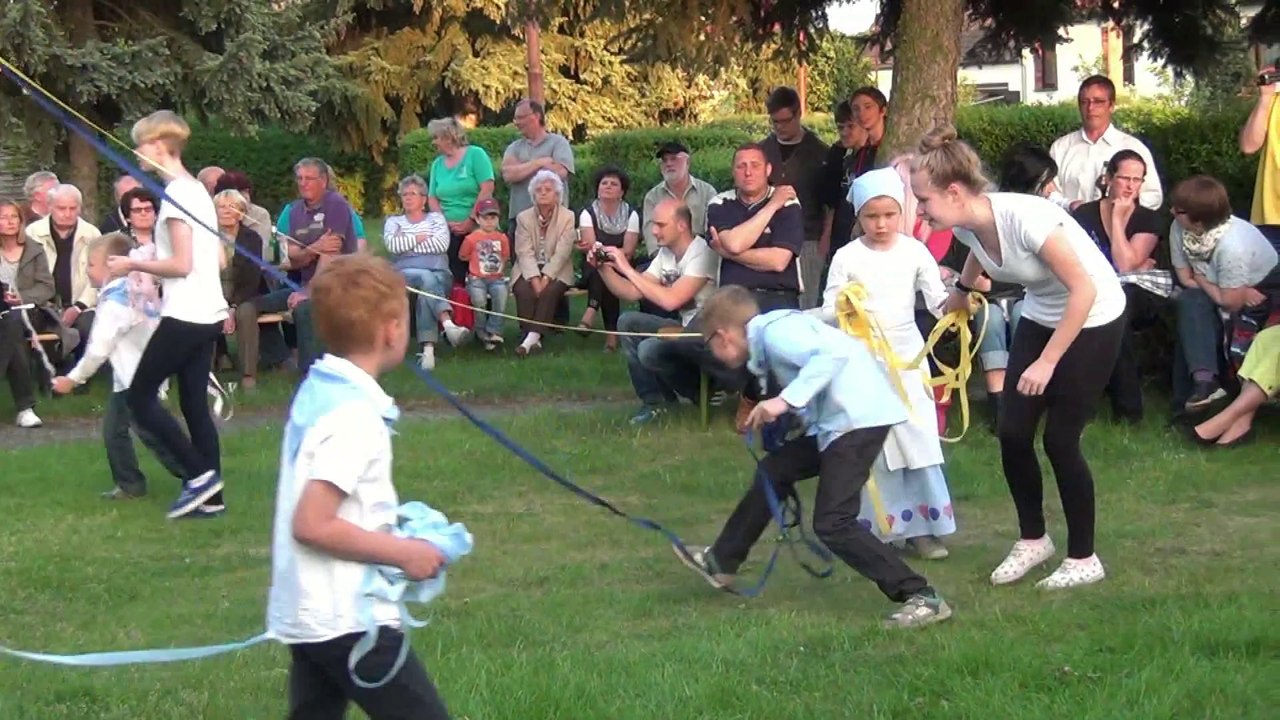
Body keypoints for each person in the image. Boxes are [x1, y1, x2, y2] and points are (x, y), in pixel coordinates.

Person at [911, 126, 1127, 590]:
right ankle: (1034, 540)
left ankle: (1084, 557)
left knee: (1061, 440)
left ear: (953, 191)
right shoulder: (965, 223)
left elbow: (1084, 289)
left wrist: (1047, 362)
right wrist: (961, 295)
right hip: (1043, 312)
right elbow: (978, 256)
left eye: (924, 202)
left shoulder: (1026, 218)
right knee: (1012, 432)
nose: (921, 212)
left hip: (1094, 314)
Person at [678, 285, 953, 628]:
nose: (714, 353)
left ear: (722, 336)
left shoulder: (776, 333)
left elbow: (830, 357)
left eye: (709, 344)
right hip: (840, 422)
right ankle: (722, 561)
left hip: (858, 421)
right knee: (774, 470)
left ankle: (922, 596)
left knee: (833, 521)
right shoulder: (772, 335)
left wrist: (784, 401)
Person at [266, 254, 452, 719]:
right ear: (392, 328)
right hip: (349, 617)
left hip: (313, 611)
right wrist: (404, 552)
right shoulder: (352, 416)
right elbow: (311, 523)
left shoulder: (322, 389)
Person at [821, 167, 955, 560]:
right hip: (863, 358)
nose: (881, 224)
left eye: (889, 215)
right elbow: (830, 307)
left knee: (916, 435)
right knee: (875, 441)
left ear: (902, 213)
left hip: (908, 358)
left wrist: (961, 301)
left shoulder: (915, 250)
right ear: (859, 217)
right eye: (871, 216)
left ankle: (925, 529)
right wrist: (847, 307)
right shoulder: (847, 256)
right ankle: (883, 528)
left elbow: (937, 300)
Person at [107, 110, 229, 520]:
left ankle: (199, 477)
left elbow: (181, 264)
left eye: (140, 144)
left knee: (140, 397)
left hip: (187, 314)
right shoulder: (196, 191)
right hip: (208, 310)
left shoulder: (178, 195)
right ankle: (211, 499)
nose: (136, 152)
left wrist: (132, 266)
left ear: (160, 146)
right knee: (193, 403)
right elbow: (219, 259)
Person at [52, 233, 186, 499]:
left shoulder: (115, 302)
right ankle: (132, 483)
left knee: (149, 434)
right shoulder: (134, 290)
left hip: (135, 379)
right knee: (120, 430)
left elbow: (98, 350)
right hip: (137, 376)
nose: (87, 270)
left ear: (112, 264)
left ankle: (195, 474)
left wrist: (72, 379)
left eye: (91, 264)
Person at [601, 198, 723, 424]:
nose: (654, 231)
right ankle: (655, 402)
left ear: (682, 225)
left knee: (648, 349)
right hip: (686, 329)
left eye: (660, 225)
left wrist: (626, 268)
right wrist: (603, 269)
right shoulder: (666, 253)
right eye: (653, 225)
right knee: (627, 321)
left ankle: (703, 392)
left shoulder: (703, 253)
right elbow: (631, 292)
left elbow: (671, 301)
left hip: (708, 336)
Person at [1070, 149, 1170, 423]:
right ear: (1109, 178)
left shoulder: (1147, 219)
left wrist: (1116, 220)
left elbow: (1125, 265)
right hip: (1091, 289)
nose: (1130, 186)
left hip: (1138, 295)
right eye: (1124, 178)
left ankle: (1127, 407)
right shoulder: (1085, 216)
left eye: (1137, 180)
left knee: (1117, 311)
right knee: (1106, 306)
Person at [1168, 175, 1278, 411]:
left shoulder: (1232, 246)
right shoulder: (1179, 228)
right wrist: (1213, 283)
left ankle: (1196, 396)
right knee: (1191, 303)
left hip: (1264, 288)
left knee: (1192, 311)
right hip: (1227, 288)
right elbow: (1186, 278)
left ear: (1198, 222)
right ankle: (1204, 384)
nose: (1171, 212)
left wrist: (1204, 278)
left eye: (1179, 210)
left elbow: (1231, 303)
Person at [384, 175, 471, 370]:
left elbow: (441, 244)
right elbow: (393, 245)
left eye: (412, 194)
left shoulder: (436, 219)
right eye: (404, 194)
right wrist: (422, 237)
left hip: (439, 273)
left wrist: (407, 240)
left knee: (427, 285)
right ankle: (447, 328)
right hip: (404, 275)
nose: (407, 198)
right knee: (426, 277)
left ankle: (428, 354)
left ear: (424, 199)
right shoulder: (393, 222)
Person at [511, 169, 577, 357]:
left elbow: (563, 252)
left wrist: (546, 277)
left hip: (558, 268)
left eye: (548, 189)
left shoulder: (568, 217)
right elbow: (523, 251)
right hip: (529, 265)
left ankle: (530, 338)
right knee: (522, 289)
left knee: (549, 291)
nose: (542, 192)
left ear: (557, 195)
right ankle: (532, 336)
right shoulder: (523, 217)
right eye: (538, 189)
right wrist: (533, 278)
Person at [575, 165, 640, 351]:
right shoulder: (588, 213)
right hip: (592, 263)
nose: (608, 186)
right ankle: (611, 337)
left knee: (605, 269)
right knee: (600, 268)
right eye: (604, 183)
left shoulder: (631, 214)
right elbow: (591, 246)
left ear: (622, 191)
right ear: (598, 189)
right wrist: (605, 257)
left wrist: (610, 257)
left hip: (622, 264)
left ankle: (591, 311)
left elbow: (627, 251)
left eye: (614, 184)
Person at [425, 116, 496, 282]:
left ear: (449, 137)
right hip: (447, 230)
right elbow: (432, 198)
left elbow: (487, 188)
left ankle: (482, 306)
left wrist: (471, 219)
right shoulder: (437, 164)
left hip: (478, 226)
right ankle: (457, 305)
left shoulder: (476, 155)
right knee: (452, 278)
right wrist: (443, 223)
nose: (434, 142)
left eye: (436, 138)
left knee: (483, 279)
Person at [0, 198, 48, 428]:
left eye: (14, 217)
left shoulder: (34, 250)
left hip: (31, 311)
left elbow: (47, 287)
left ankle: (26, 407)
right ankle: (25, 408)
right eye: (3, 217)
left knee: (14, 322)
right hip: (3, 315)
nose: (9, 222)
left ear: (21, 221)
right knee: (11, 328)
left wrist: (22, 297)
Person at [458, 198, 512, 350]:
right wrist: (475, 263)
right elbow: (462, 255)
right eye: (485, 218)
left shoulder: (502, 238)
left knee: (501, 296)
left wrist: (497, 268)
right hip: (477, 279)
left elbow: (505, 256)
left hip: (496, 279)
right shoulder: (471, 238)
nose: (489, 222)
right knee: (479, 301)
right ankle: (480, 331)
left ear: (498, 219)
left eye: (493, 218)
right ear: (477, 219)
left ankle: (493, 331)